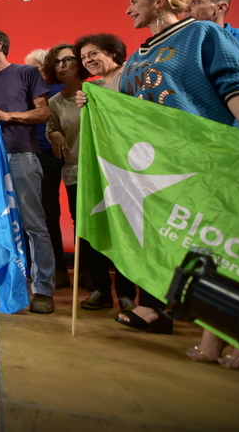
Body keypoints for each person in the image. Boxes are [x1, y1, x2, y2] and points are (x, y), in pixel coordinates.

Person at [100, 0, 239, 357]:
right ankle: (212, 335)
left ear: (160, 1)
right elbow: (128, 107)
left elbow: (233, 81)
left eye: (134, 1)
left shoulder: (201, 33)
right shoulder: (139, 56)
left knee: (234, 248)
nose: (128, 10)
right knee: (199, 251)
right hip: (169, 164)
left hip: (212, 155)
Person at [0, 29, 56, 314]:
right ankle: (7, 284)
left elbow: (43, 113)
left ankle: (43, 290)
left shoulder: (27, 73)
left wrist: (7, 116)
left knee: (33, 225)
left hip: (22, 157)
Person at [72, 33, 138, 310]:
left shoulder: (133, 76)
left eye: (93, 54)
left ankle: (127, 293)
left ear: (113, 53)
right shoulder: (94, 87)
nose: (88, 61)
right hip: (101, 170)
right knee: (94, 225)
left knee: (127, 230)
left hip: (132, 170)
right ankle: (101, 290)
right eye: (84, 58)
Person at [25, 49, 70, 290]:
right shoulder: (30, 91)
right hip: (39, 158)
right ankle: (58, 270)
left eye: (34, 68)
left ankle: (83, 271)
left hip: (63, 157)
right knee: (48, 215)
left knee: (70, 214)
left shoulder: (60, 90)